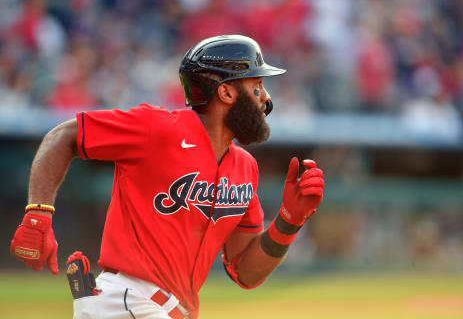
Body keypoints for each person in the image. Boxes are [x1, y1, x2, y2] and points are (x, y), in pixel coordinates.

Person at [10, 35, 324, 319]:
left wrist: (289, 221)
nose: (265, 98)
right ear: (226, 92)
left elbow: (246, 273)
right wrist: (38, 214)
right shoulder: (157, 128)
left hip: (161, 309)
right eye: (256, 85)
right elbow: (63, 136)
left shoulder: (244, 167)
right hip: (126, 300)